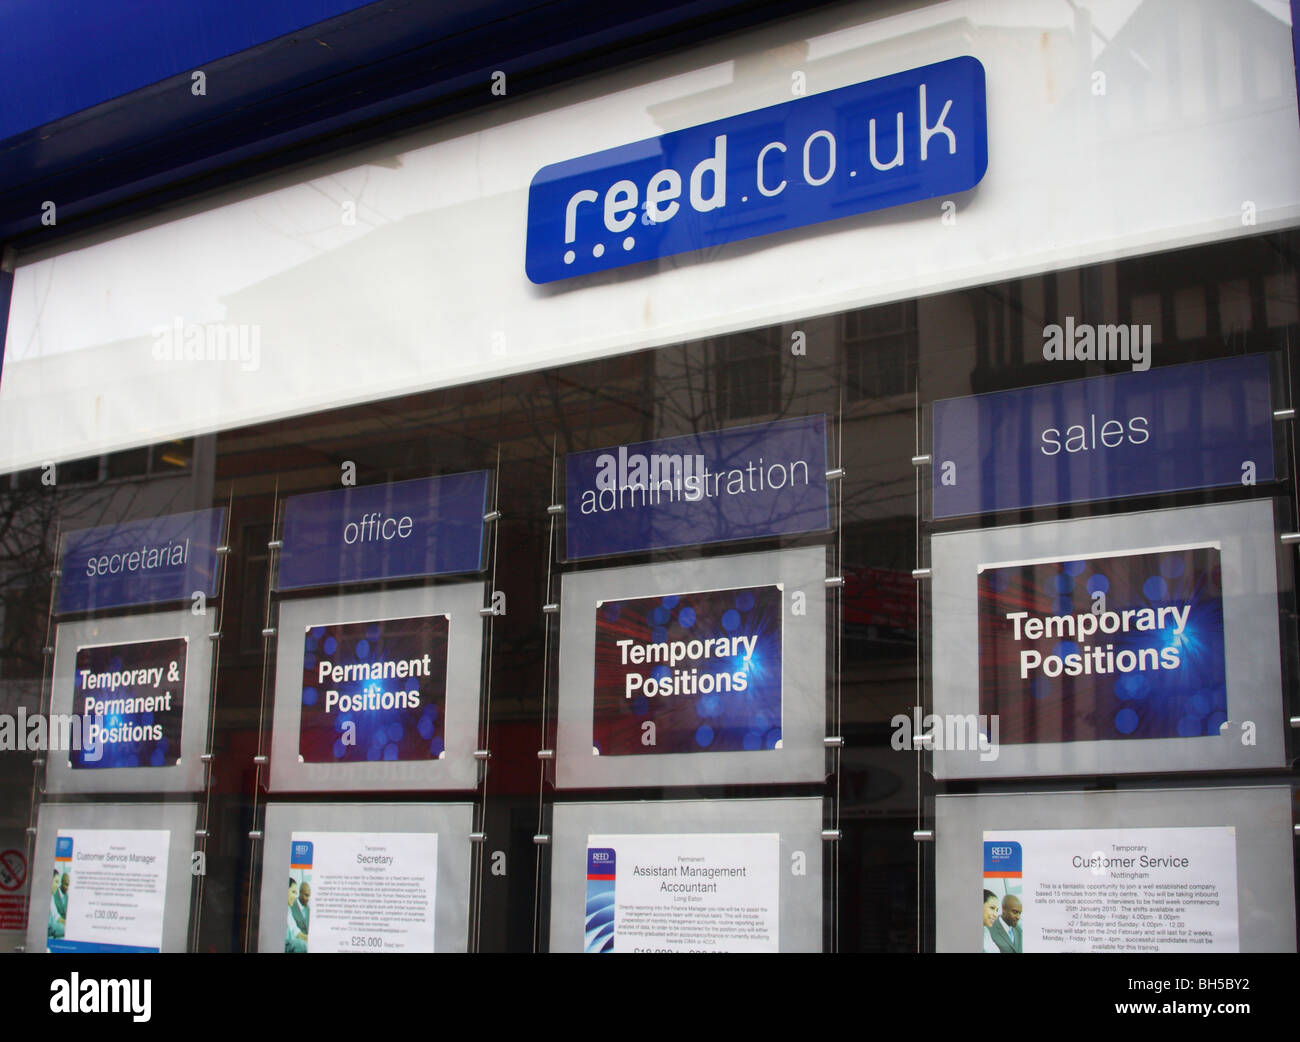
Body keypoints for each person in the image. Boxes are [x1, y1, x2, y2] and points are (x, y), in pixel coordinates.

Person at [285, 879, 307, 953]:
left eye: (296, 893)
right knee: (303, 946)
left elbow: (297, 933)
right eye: (293, 892)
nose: (295, 897)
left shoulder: (288, 910)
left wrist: (310, 939)